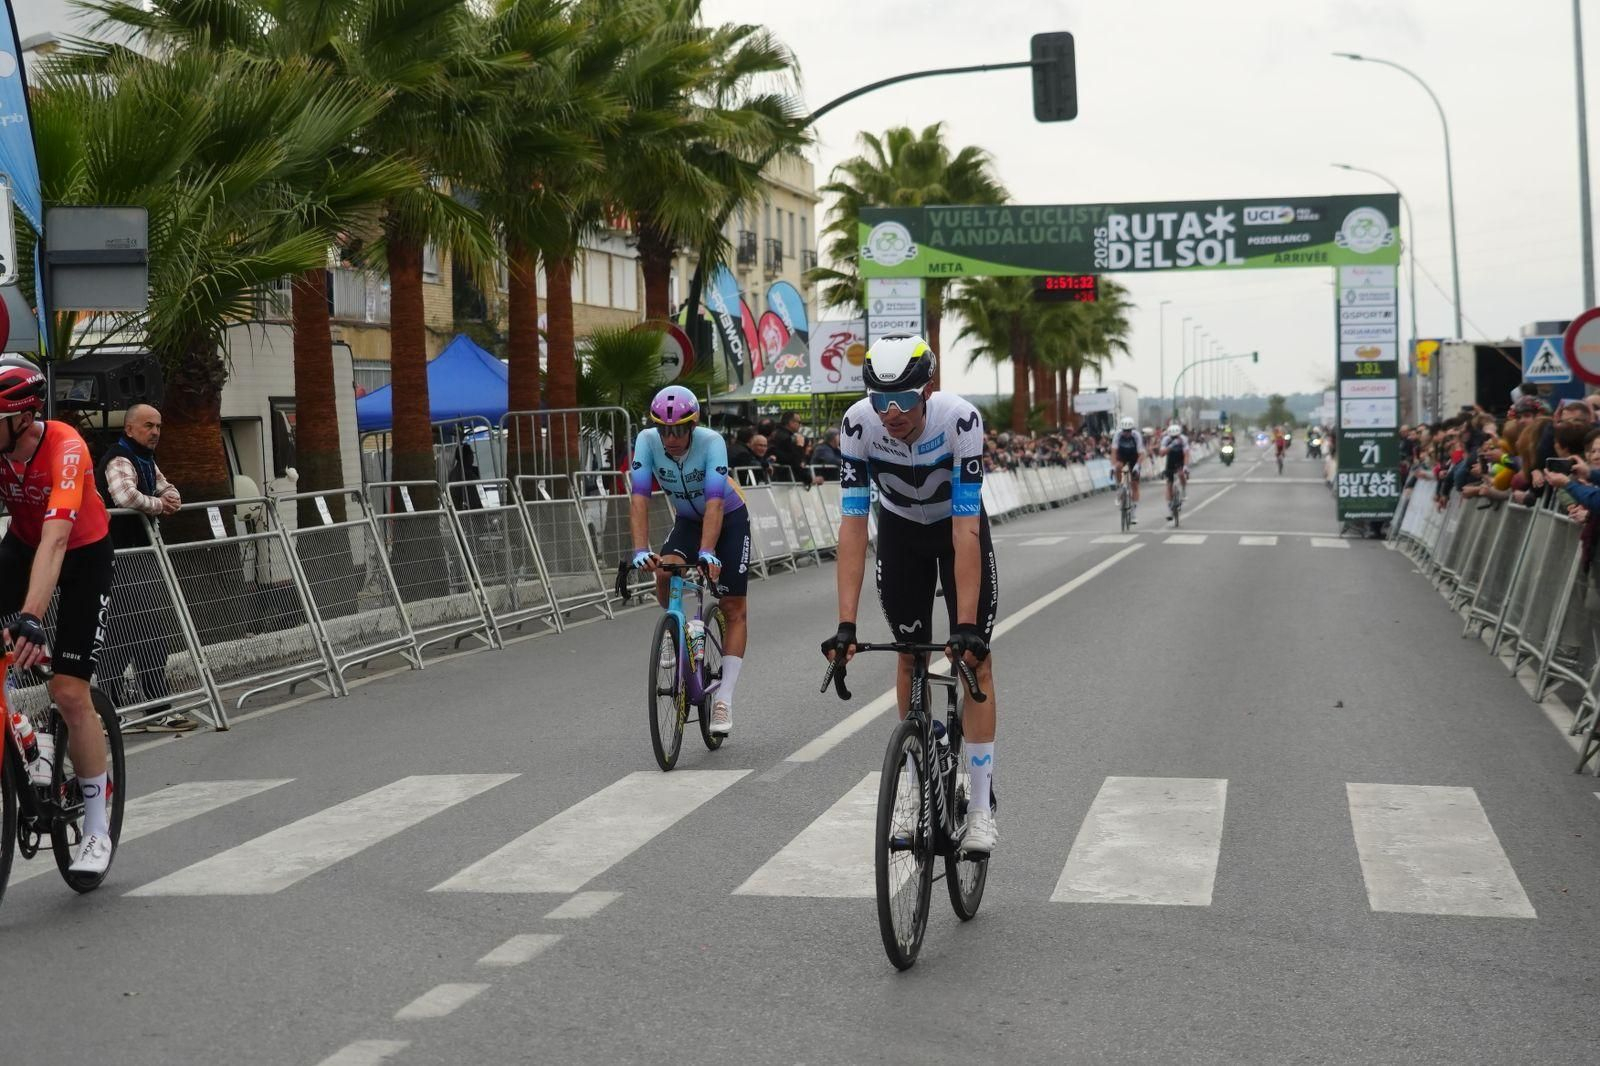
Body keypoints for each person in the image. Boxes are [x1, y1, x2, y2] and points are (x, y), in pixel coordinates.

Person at [820, 334, 1001, 855]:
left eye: (902, 399)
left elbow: (966, 528)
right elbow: (853, 525)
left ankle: (981, 808)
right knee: (908, 657)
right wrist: (846, 625)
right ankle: (921, 785)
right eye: (880, 399)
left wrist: (965, 626)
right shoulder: (858, 426)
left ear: (927, 391)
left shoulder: (960, 421)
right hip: (900, 532)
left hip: (955, 528)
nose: (891, 413)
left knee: (975, 661)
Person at [0, 359, 116, 874]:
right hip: (22, 547)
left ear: (22, 419)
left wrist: (30, 615)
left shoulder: (66, 448)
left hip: (81, 554)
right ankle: (23, 734)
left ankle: (96, 828)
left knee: (69, 692)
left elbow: (57, 539)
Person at [628, 386, 750, 736]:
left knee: (732, 606)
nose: (671, 438)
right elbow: (639, 498)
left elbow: (714, 502)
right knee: (665, 569)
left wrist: (707, 551)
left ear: (693, 425)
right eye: (664, 430)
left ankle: (724, 698)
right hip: (687, 520)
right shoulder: (646, 441)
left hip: (729, 518)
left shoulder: (712, 442)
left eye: (679, 429)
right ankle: (673, 629)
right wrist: (640, 550)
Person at [94, 403, 187, 728]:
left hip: (138, 558)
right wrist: (160, 505)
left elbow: (167, 487)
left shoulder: (145, 458)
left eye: (158, 426)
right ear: (129, 428)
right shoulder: (120, 458)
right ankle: (114, 712)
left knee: (146, 634)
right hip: (120, 560)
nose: (155, 432)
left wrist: (168, 499)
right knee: (126, 634)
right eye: (148, 426)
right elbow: (125, 497)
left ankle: (152, 708)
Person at [1109, 416, 1144, 522]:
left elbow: (1141, 454)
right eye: (1125, 431)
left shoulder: (1136, 436)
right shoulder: (1118, 435)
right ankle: (1120, 487)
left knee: (1135, 485)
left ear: (1132, 430)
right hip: (1122, 456)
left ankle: (1133, 513)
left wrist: (1137, 466)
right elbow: (1113, 452)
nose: (1126, 433)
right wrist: (1112, 466)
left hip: (1134, 458)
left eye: (1129, 431)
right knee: (1118, 466)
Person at [1159, 421, 1190, 519]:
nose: (1175, 438)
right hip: (1171, 460)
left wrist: (1185, 466)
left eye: (1176, 436)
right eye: (1173, 437)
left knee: (1181, 474)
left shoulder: (1183, 439)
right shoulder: (1166, 439)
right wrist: (1171, 446)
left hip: (1181, 459)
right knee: (1169, 485)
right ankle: (1170, 509)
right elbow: (1161, 453)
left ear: (1179, 434)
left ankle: (1183, 490)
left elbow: (1186, 453)